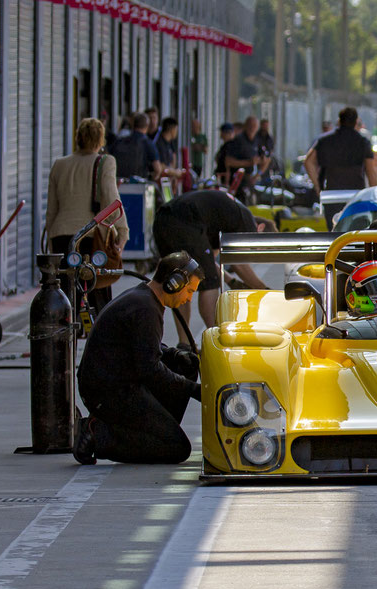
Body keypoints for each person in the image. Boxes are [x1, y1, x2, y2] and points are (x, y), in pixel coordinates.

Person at [73, 252, 203, 465]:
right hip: (108, 392)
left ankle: (156, 428)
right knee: (177, 448)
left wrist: (173, 354)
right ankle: (97, 434)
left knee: (183, 365)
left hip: (119, 380)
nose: (188, 298)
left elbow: (141, 344)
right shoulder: (145, 308)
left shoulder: (144, 299)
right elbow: (149, 368)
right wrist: (194, 390)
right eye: (189, 290)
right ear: (174, 283)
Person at [152, 189, 268, 347]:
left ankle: (185, 343)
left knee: (181, 279)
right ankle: (217, 341)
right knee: (211, 284)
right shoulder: (247, 222)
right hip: (186, 219)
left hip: (163, 218)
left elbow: (208, 262)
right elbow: (237, 262)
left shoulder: (222, 218)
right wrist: (263, 289)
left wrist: (231, 280)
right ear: (260, 228)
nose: (253, 252)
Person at [47, 118, 129, 315]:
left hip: (62, 236)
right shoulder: (105, 161)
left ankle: (66, 335)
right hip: (91, 237)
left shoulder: (59, 164)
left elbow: (52, 209)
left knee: (65, 291)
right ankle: (96, 335)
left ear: (78, 137)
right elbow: (112, 198)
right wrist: (122, 230)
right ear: (101, 139)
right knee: (96, 289)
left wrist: (51, 240)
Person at [304, 106, 377, 228]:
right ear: (356, 122)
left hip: (332, 194)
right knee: (355, 232)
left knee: (334, 231)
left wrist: (317, 186)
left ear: (339, 121)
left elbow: (308, 162)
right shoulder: (362, 142)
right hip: (356, 195)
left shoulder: (325, 140)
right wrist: (374, 194)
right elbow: (371, 172)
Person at [110, 112, 162, 181]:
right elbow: (157, 169)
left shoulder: (120, 141)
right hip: (139, 185)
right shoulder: (148, 143)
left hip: (120, 183)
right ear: (147, 126)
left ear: (133, 125)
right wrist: (151, 179)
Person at [224, 116, 263, 194]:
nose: (252, 128)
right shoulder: (238, 140)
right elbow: (228, 161)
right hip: (237, 181)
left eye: (254, 126)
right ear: (245, 126)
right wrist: (248, 163)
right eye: (250, 126)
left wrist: (257, 175)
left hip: (249, 181)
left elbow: (266, 159)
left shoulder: (257, 140)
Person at [155, 116, 183, 181]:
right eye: (176, 129)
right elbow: (161, 166)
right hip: (160, 180)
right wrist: (174, 172)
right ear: (172, 129)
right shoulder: (160, 144)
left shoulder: (170, 143)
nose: (176, 132)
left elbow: (172, 160)